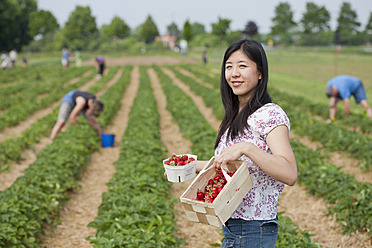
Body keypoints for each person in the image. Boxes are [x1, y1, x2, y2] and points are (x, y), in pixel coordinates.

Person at [195, 39, 297, 247]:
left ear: (260, 72)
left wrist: (247, 148)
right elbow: (229, 166)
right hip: (235, 227)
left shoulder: (269, 114)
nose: (234, 73)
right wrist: (187, 165)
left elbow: (289, 172)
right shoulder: (236, 115)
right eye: (229, 67)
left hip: (252, 229)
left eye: (242, 66)